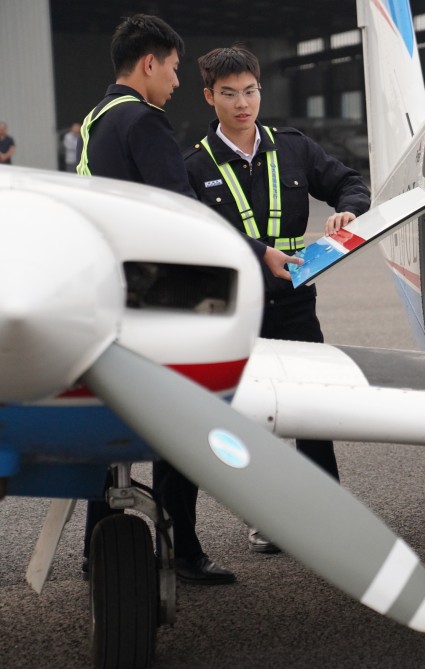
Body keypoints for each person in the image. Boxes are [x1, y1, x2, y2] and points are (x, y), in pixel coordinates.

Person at [75, 15, 298, 586]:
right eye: (173, 69)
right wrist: (257, 253)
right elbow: (184, 214)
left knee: (115, 433)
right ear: (149, 63)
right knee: (179, 431)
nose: (175, 83)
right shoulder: (143, 122)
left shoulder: (96, 121)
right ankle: (183, 551)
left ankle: (97, 549)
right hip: (157, 299)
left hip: (111, 294)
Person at [183, 46, 370, 553]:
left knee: (311, 407)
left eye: (249, 91)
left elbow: (351, 183)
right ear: (209, 97)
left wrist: (347, 213)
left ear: (260, 90)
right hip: (232, 306)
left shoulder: (294, 148)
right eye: (228, 94)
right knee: (247, 415)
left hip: (292, 301)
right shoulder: (193, 166)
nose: (242, 103)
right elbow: (194, 234)